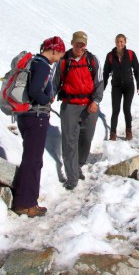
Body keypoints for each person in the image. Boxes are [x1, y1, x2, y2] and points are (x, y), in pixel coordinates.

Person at [12, 36, 66, 218]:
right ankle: (26, 203)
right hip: (37, 116)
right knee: (34, 159)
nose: (59, 58)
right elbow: (35, 91)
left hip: (26, 115)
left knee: (30, 157)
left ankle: (25, 199)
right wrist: (47, 101)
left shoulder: (35, 62)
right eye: (59, 53)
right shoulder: (42, 65)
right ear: (54, 50)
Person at [54, 31, 103, 190]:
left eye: (83, 44)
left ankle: (79, 165)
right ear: (72, 43)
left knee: (86, 138)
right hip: (70, 105)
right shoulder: (63, 61)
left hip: (89, 105)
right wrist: (48, 99)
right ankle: (72, 176)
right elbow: (54, 83)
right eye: (77, 44)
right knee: (69, 141)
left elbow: (99, 82)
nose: (80, 47)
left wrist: (96, 101)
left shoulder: (92, 60)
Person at [103, 34, 139, 141]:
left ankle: (128, 131)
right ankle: (113, 134)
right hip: (116, 86)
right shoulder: (110, 56)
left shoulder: (130, 54)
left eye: (121, 41)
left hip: (129, 86)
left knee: (126, 109)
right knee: (115, 110)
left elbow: (137, 70)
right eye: (117, 41)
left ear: (125, 42)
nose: (119, 43)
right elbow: (106, 73)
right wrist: (102, 87)